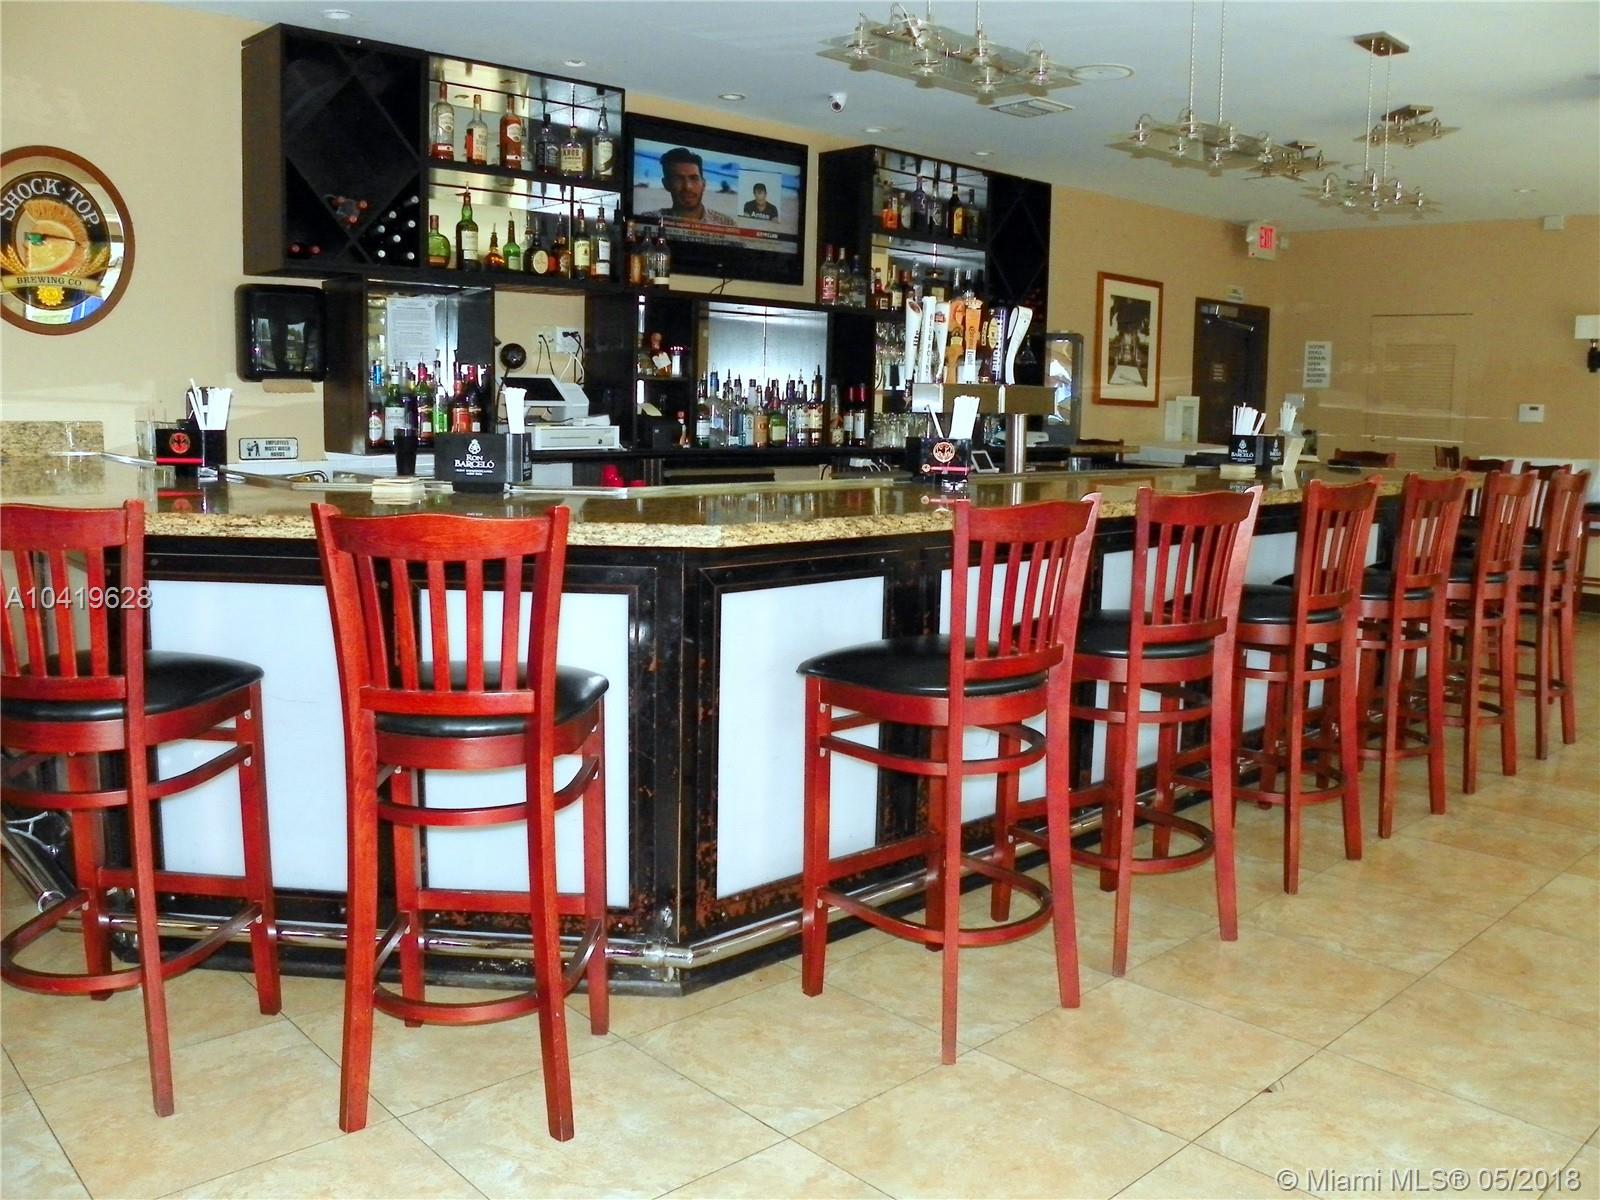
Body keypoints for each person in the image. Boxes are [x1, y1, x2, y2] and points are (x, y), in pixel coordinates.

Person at [656, 148, 736, 226]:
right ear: (666, 184)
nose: (688, 187)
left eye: (694, 178)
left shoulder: (726, 223)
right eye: (678, 179)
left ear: (703, 184)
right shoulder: (653, 219)